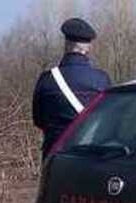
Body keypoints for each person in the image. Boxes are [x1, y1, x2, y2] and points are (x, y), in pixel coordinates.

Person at [32, 18, 112, 159]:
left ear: (66, 44)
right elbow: (109, 121)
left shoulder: (47, 79)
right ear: (88, 47)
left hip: (55, 156)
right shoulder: (102, 80)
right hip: (91, 157)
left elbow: (38, 119)